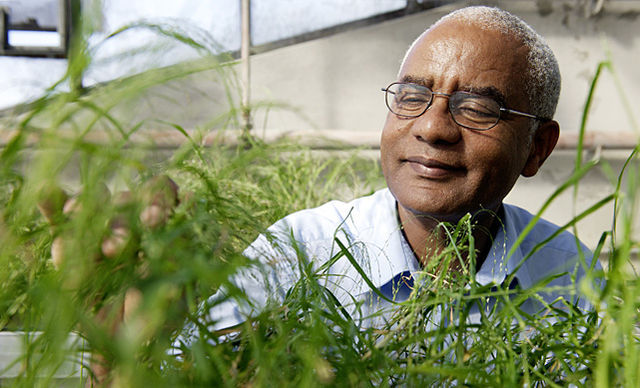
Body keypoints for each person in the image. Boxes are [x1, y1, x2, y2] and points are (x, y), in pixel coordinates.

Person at [179, 5, 600, 341]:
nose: (432, 128)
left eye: (476, 108)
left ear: (537, 148)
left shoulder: (572, 278)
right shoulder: (297, 255)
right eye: (413, 96)